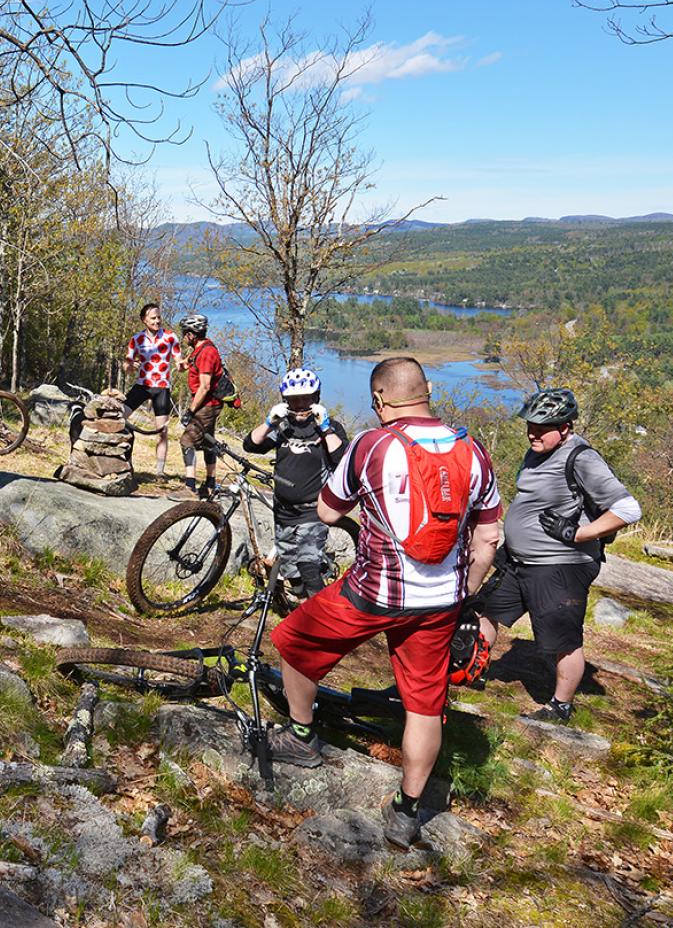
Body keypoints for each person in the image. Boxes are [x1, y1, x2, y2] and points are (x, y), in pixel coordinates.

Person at [264, 356, 502, 849]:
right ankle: (406, 812)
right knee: (424, 704)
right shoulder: (474, 451)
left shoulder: (372, 445)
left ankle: (302, 738)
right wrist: (467, 593)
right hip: (440, 603)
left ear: (379, 401)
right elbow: (489, 537)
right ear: (427, 391)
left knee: (294, 641)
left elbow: (329, 512)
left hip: (374, 592)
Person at [476, 387, 641, 723]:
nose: (532, 432)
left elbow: (628, 508)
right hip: (519, 562)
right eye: (530, 425)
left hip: (560, 567)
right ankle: (470, 670)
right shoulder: (537, 452)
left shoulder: (581, 458)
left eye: (541, 426)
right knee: (485, 611)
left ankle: (559, 706)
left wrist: (579, 533)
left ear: (565, 427)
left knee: (562, 640)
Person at [242, 367, 348, 602]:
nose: (300, 405)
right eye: (294, 400)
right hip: (283, 511)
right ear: (285, 401)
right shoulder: (283, 426)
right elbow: (251, 445)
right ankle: (301, 601)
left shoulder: (330, 428)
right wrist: (270, 422)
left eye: (306, 399)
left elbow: (342, 460)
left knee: (308, 565)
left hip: (314, 509)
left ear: (316, 399)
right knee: (292, 572)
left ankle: (321, 623)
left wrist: (325, 428)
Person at [122, 302, 181, 480]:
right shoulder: (137, 339)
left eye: (158, 317)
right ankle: (124, 461)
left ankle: (160, 472)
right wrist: (131, 366)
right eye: (153, 318)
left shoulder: (171, 337)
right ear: (144, 320)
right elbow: (127, 365)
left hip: (162, 388)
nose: (157, 321)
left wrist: (181, 365)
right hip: (142, 385)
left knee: (162, 432)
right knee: (118, 418)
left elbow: (179, 360)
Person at [176, 312, 222, 497]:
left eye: (185, 333)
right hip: (207, 403)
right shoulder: (202, 348)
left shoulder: (207, 353)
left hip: (207, 404)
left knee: (187, 441)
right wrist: (182, 364)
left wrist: (190, 411)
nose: (184, 336)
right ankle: (210, 485)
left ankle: (190, 487)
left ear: (192, 334)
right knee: (207, 442)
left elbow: (205, 387)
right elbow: (190, 362)